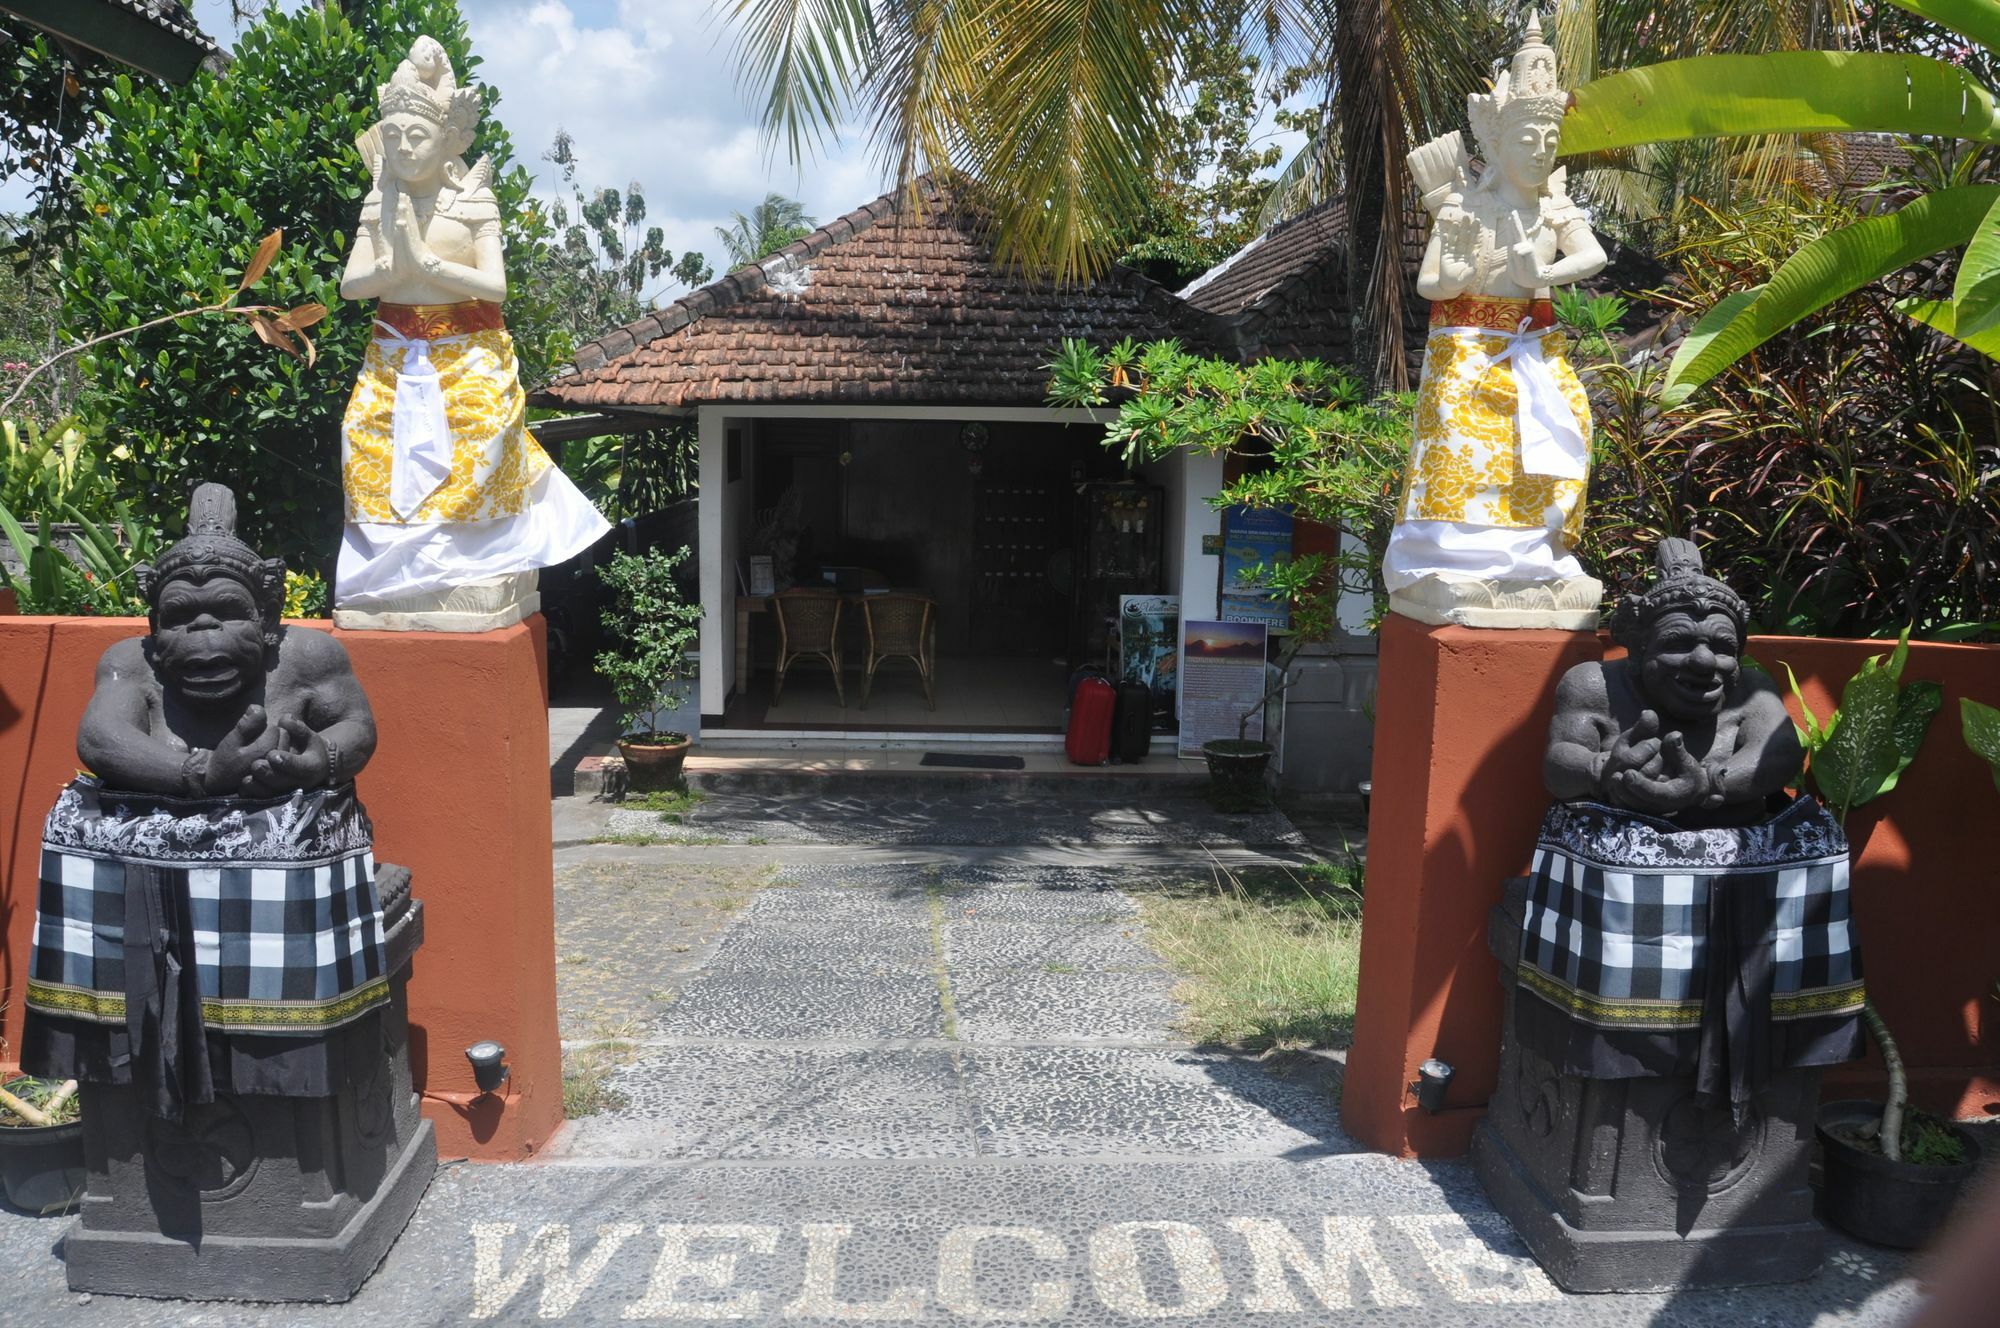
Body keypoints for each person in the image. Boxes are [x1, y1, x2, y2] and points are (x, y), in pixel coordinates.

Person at [335, 36, 607, 626]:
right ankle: (390, 571)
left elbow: (496, 287)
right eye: (396, 136)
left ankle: (474, 565)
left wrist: (427, 266)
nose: (406, 148)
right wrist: (392, 264)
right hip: (394, 349)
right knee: (362, 435)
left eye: (419, 136)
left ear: (448, 140)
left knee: (482, 431)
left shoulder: (473, 199)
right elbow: (351, 285)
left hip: (470, 348)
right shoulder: (378, 202)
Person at [1385, 14, 1608, 628]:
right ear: (1498, 144)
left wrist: (1541, 274)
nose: (1539, 153)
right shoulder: (1468, 205)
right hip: (1464, 348)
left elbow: (1593, 257)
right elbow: (1432, 283)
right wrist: (1456, 272)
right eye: (1526, 142)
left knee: (1560, 432)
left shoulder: (1556, 206)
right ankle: (1451, 561)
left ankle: (1537, 559)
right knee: (1459, 440)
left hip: (1531, 343)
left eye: (1548, 142)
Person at [78, 483, 376, 795]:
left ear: (267, 619)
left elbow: (356, 726)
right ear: (155, 626)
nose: (204, 628)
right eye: (180, 617)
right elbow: (99, 736)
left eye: (228, 612)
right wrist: (198, 774)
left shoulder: (308, 655)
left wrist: (323, 758)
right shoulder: (131, 662)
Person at [1543, 538, 1802, 828]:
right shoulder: (1594, 683)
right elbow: (1558, 760)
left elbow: (1780, 752)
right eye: (1678, 643)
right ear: (1639, 651)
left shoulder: (1751, 689)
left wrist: (1705, 784)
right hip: (1616, 851)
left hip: (1735, 851)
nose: (1704, 661)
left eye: (1722, 647)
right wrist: (1602, 770)